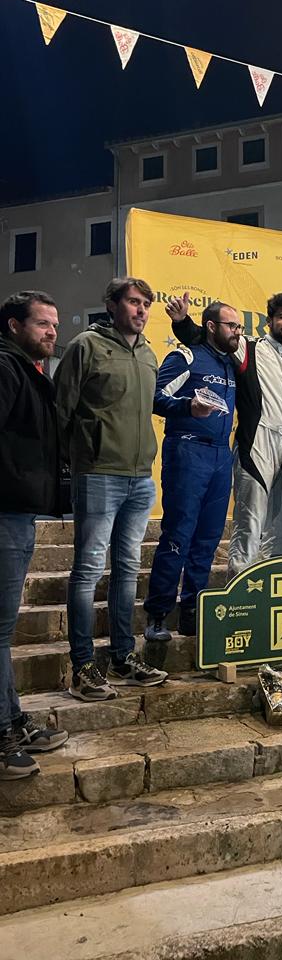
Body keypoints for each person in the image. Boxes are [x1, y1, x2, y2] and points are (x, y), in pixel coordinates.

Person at [55, 278, 168, 701]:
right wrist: (76, 458)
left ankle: (122, 658)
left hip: (140, 477)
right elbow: (60, 410)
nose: (141, 310)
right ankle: (83, 667)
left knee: (127, 569)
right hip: (98, 473)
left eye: (146, 304)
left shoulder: (149, 353)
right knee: (87, 570)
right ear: (112, 305)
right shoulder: (86, 346)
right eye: (134, 302)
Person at [167, 291, 282, 574]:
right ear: (269, 321)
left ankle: (274, 583)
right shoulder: (248, 348)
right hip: (256, 443)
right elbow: (205, 338)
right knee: (250, 521)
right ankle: (240, 586)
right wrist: (182, 322)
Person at [0, 292, 69, 779]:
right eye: (42, 323)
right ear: (13, 325)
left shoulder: (26, 371)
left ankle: (11, 720)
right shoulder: (6, 368)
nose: (52, 332)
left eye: (54, 325)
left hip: (18, 511)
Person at [143, 301, 239, 641]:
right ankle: (157, 614)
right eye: (231, 326)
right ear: (211, 327)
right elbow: (154, 397)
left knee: (208, 539)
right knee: (178, 534)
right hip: (187, 450)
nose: (237, 332)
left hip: (221, 455)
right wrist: (187, 406)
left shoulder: (232, 363)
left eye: (239, 327)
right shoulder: (185, 357)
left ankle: (192, 610)